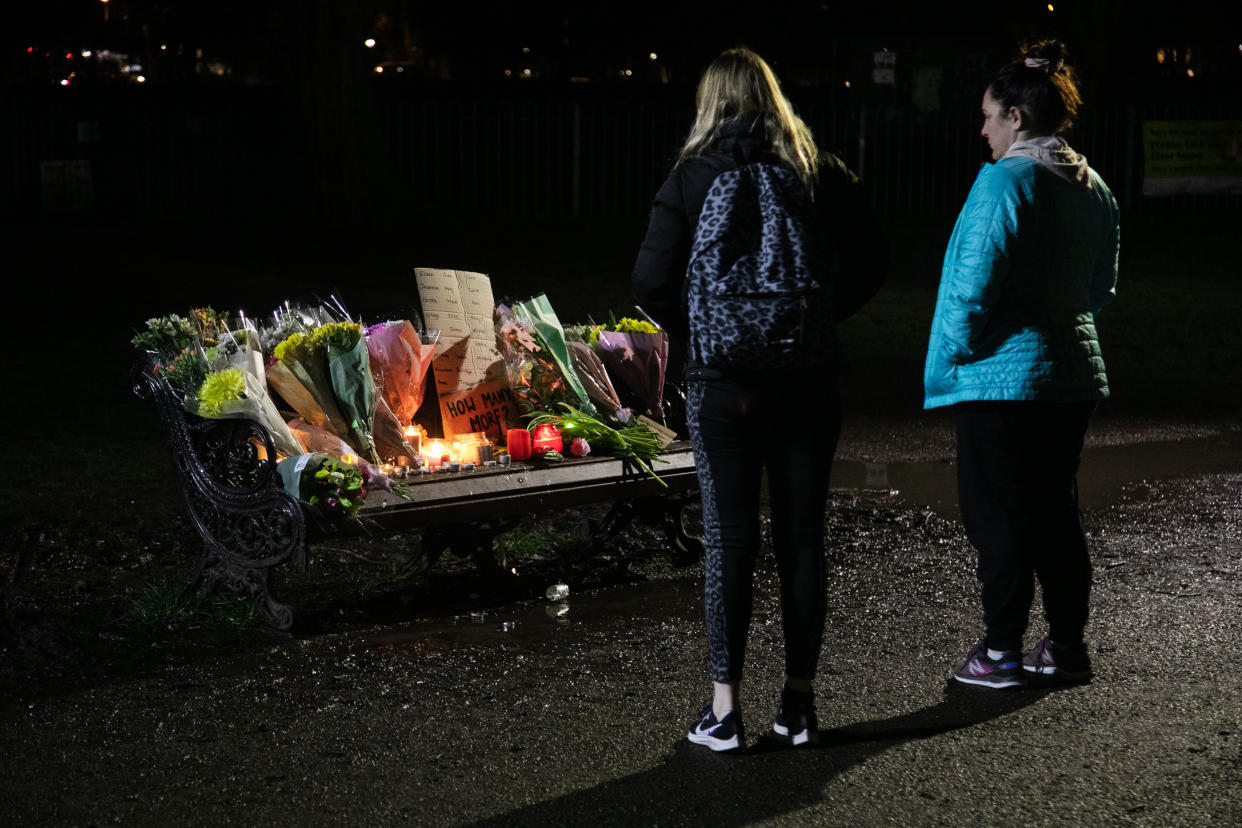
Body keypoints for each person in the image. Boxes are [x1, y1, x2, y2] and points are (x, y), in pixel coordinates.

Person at [632, 46, 885, 751]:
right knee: (804, 539)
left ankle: (724, 713)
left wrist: (709, 325)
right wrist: (811, 318)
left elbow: (648, 282)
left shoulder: (691, 177)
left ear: (709, 105)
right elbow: (874, 261)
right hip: (809, 383)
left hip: (725, 391)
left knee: (731, 542)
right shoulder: (820, 173)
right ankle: (799, 707)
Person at [923, 40, 1120, 689]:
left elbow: (971, 286)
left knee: (997, 517)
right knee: (1054, 513)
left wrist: (953, 354)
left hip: (1003, 380)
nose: (982, 128)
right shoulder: (1094, 189)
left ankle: (1001, 652)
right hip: (1072, 376)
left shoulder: (1005, 180)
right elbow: (1098, 289)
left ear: (1016, 115)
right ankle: (1065, 648)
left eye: (988, 115)